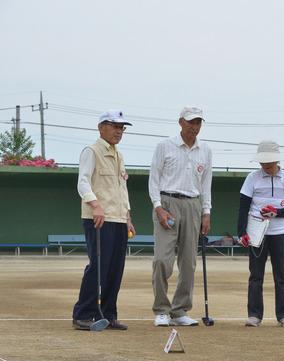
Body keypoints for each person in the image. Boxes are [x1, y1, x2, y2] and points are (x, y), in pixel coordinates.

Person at [148, 107, 212, 327]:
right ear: (181, 123)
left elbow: (206, 184)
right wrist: (158, 206)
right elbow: (154, 179)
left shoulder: (205, 150)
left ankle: (180, 310)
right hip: (167, 202)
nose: (195, 127)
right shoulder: (164, 146)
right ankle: (161, 310)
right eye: (191, 122)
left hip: (193, 205)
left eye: (198, 123)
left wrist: (206, 211)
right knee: (162, 260)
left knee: (188, 262)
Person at [72, 110, 136, 331]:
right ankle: (83, 314)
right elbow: (83, 183)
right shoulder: (92, 151)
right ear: (101, 127)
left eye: (121, 128)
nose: (119, 131)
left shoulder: (119, 155)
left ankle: (108, 314)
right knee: (99, 266)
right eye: (114, 126)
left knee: (115, 269)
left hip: (118, 219)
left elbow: (122, 188)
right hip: (99, 218)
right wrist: (95, 205)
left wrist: (127, 216)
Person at [237, 141, 284, 328]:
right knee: (255, 274)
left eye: (268, 162)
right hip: (257, 232)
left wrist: (277, 212)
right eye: (262, 162)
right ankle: (254, 315)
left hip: (281, 232)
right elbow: (243, 207)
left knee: (281, 274)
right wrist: (241, 232)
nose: (265, 166)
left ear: (276, 160)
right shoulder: (252, 178)